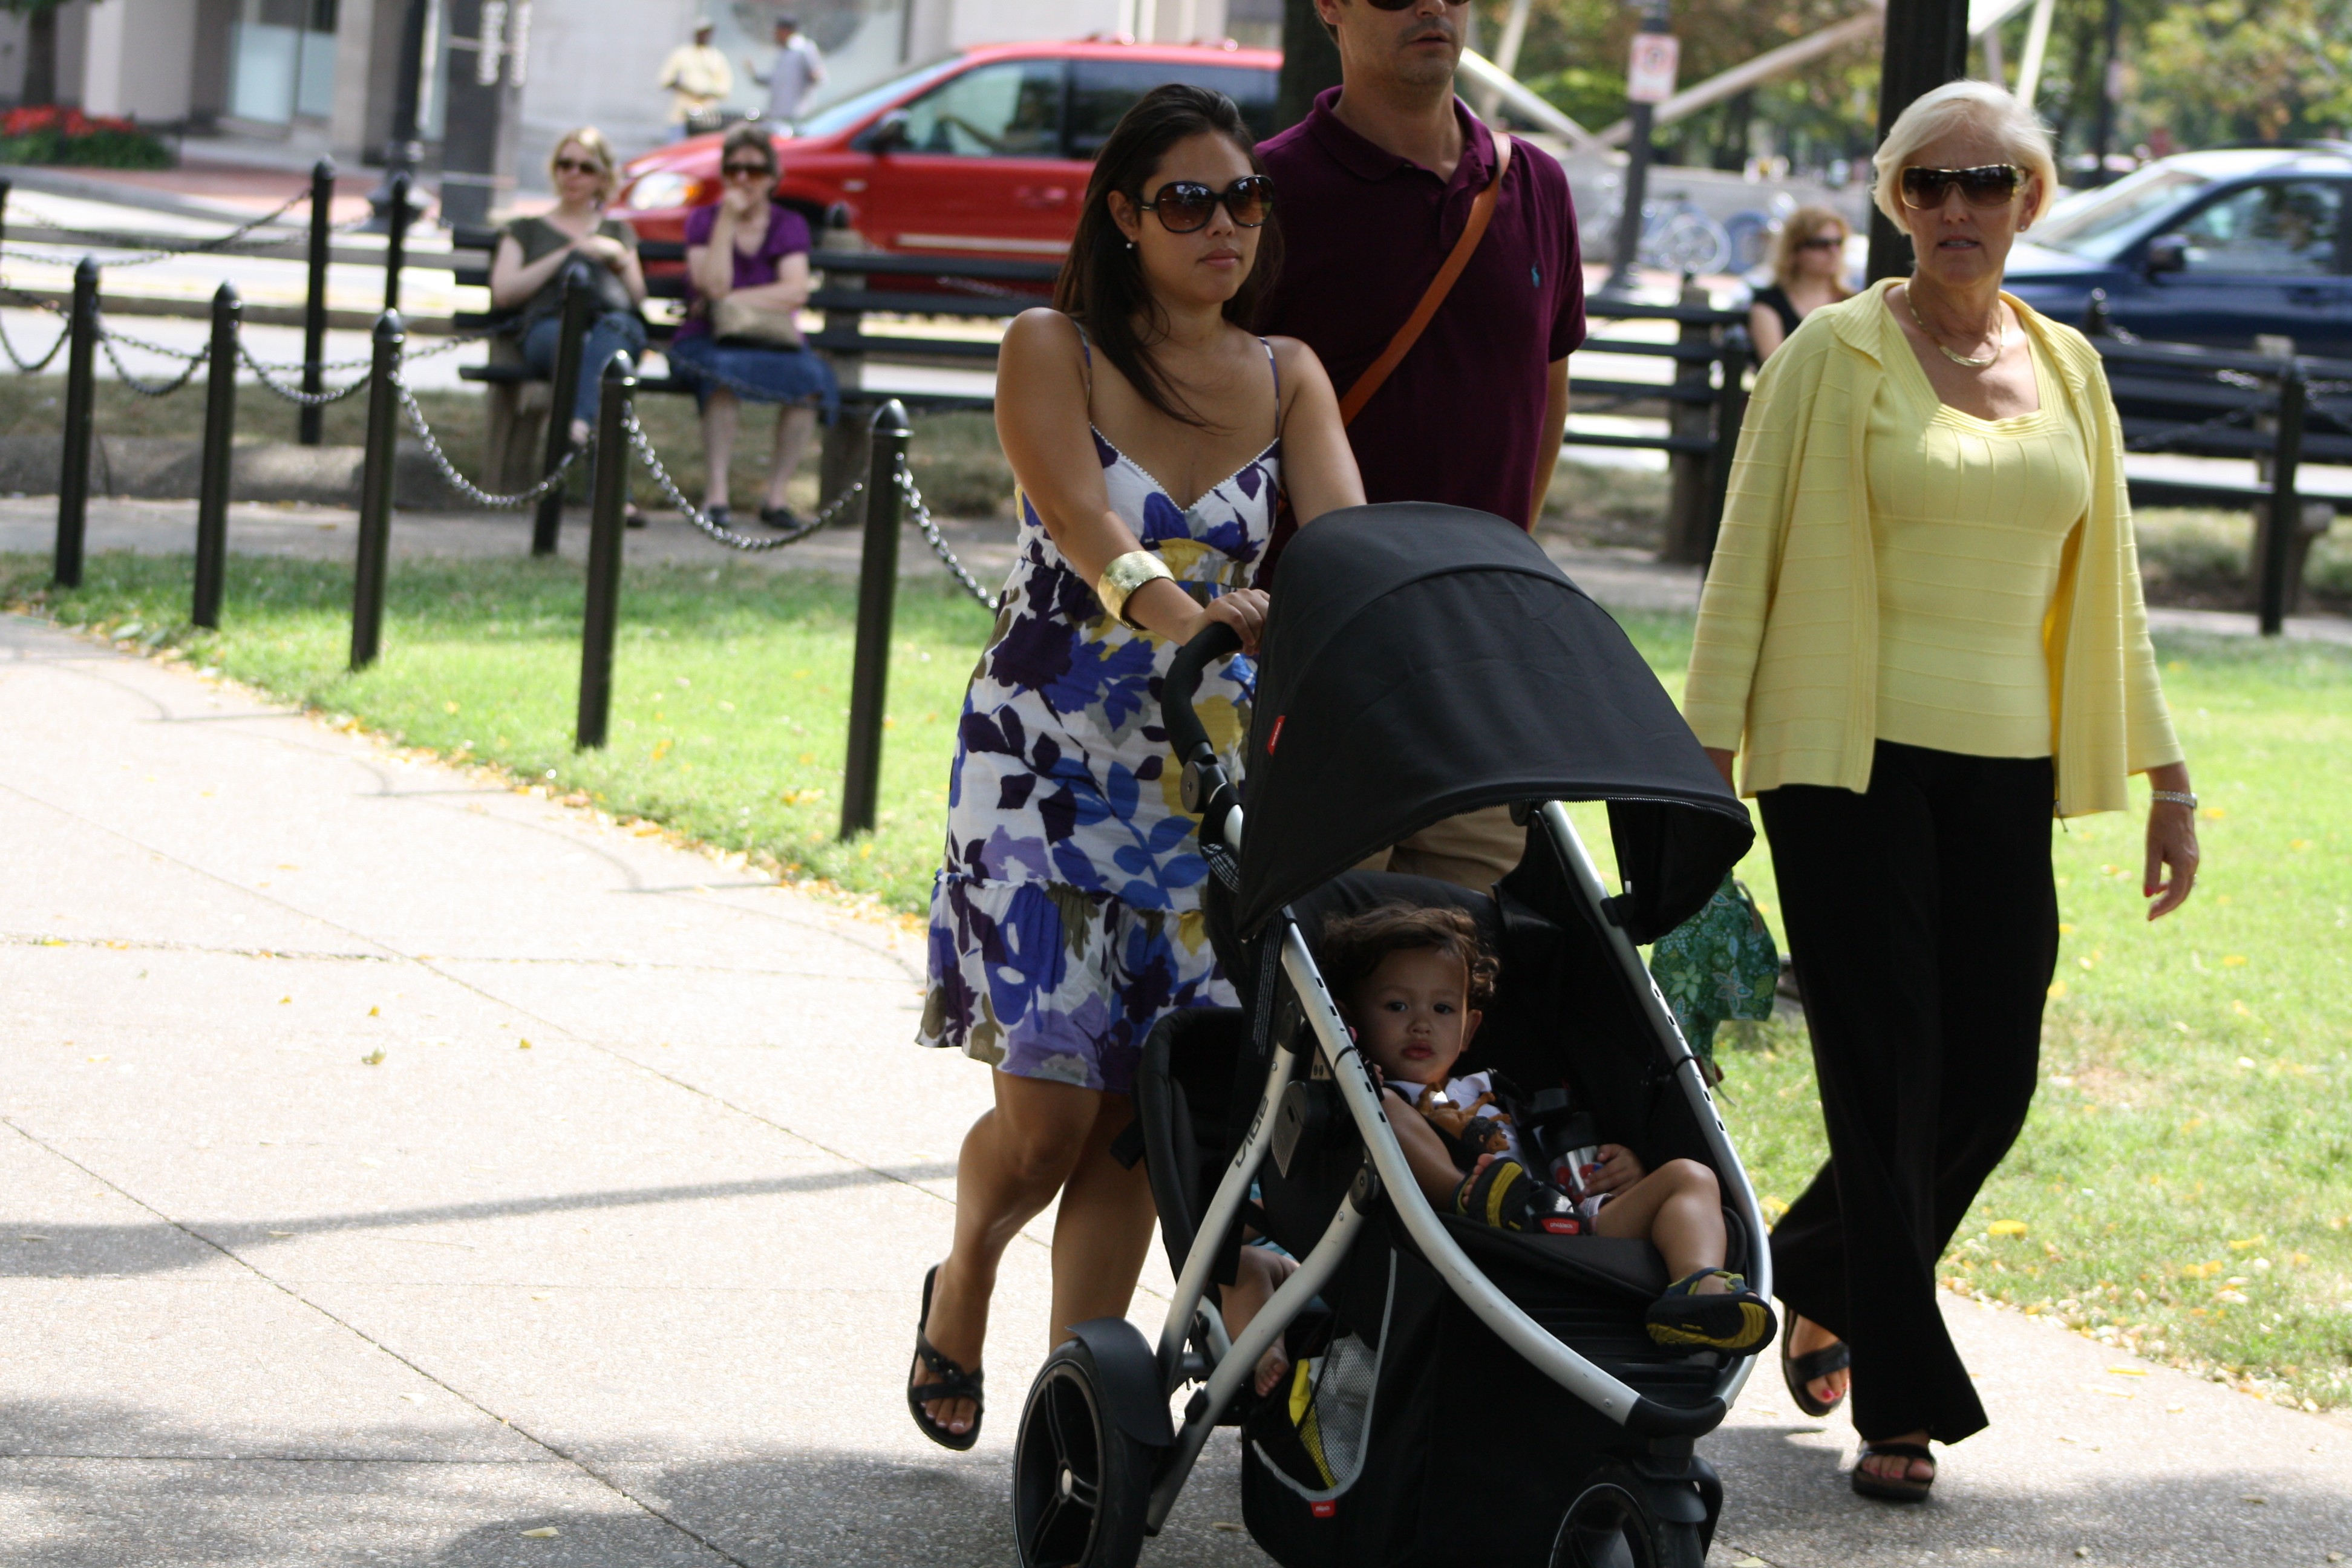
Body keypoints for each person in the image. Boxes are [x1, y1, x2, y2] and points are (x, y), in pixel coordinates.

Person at [1682, 80, 2201, 1504]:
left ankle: (1825, 1264)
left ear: (2030, 198)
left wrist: (2169, 777)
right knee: (1889, 1058)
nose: (1958, 209)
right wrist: (1700, 764)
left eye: (1987, 183)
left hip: (2003, 762)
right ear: (1893, 200)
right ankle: (1900, 1399)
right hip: (1842, 758)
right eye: (1929, 184)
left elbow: (2117, 596)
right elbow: (1746, 561)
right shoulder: (1829, 355)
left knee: (1991, 1069)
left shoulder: (2070, 368)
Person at [907, 83, 1365, 1450]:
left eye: (1243, 198)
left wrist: (1364, 630)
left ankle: (1080, 1417)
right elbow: (1082, 516)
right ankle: (970, 1266)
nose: (1223, 224)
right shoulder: (1054, 346)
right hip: (1042, 758)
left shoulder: (1287, 371)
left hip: (1195, 780)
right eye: (1187, 201)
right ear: (1124, 216)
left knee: (1136, 1117)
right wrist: (1179, 610)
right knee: (1048, 1120)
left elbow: (1337, 541)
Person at [1255, 0, 1584, 893]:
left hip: (1477, 653)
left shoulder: (1537, 186)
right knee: (1319, 952)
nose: (1433, 6)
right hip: (1320, 653)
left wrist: (1497, 557)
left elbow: (1544, 398)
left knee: (1447, 969)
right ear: (1330, 7)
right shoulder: (1265, 192)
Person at [1316, 903, 1776, 1355]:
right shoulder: (1371, 1088)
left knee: (1691, 1176)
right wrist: (1350, 1069)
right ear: (1351, 1018)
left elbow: (1560, 1157)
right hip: (1463, 1229)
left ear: (1468, 1028)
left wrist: (1623, 1172)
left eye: (1442, 1009)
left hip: (1570, 1221)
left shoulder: (1495, 1090)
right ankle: (1474, 1194)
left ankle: (1697, 1288)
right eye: (1397, 1006)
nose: (1421, 1025)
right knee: (1384, 1111)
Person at [667, 125, 838, 529]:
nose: (743, 178)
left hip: (772, 338)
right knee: (722, 377)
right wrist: (727, 219)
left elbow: (795, 291)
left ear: (774, 177)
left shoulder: (788, 224)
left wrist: (728, 302)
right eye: (734, 168)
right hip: (706, 339)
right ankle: (717, 496)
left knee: (810, 380)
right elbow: (712, 284)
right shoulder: (703, 220)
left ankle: (776, 497)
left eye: (755, 170)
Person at [489, 129, 648, 451]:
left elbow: (637, 297)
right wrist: (566, 254)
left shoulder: (617, 232)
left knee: (609, 343)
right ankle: (611, 486)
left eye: (586, 168)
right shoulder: (526, 229)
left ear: (603, 177)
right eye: (565, 165)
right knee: (584, 350)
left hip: (610, 326)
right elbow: (503, 292)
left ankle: (579, 427)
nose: (573, 174)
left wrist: (617, 256)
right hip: (549, 328)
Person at [1748, 204, 1851, 359]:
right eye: (1822, 244)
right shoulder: (1769, 303)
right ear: (1795, 250)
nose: (1833, 252)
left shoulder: (1854, 302)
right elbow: (1774, 368)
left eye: (1839, 243)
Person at [657, 18, 731, 141]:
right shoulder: (681, 54)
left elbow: (725, 88)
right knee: (677, 150)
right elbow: (666, 80)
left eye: (707, 33)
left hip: (706, 119)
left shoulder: (717, 57)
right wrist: (688, 89)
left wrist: (707, 93)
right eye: (701, 32)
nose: (704, 36)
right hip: (681, 115)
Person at [746, 15, 825, 127]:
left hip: (796, 114)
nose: (775, 36)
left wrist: (813, 75)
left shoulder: (804, 49)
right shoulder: (784, 52)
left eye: (777, 32)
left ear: (786, 31)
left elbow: (818, 77)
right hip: (777, 114)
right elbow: (777, 81)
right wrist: (755, 76)